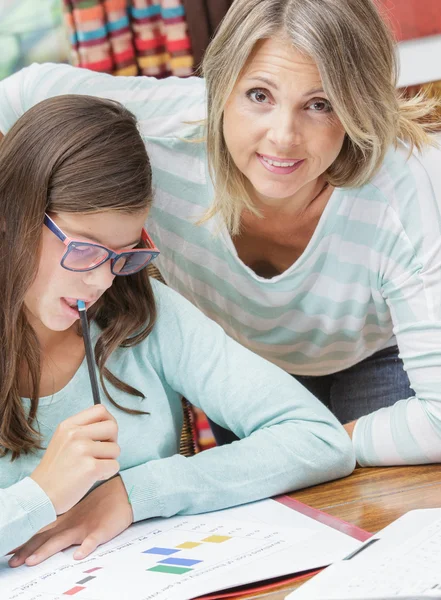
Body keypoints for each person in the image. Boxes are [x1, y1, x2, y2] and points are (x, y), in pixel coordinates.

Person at [0, 0, 440, 469]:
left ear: (360, 106)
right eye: (258, 95)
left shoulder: (400, 188)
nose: (283, 136)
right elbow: (23, 93)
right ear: (220, 86)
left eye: (320, 104)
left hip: (371, 356)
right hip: (238, 359)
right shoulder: (166, 126)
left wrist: (306, 446)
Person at [0, 95, 353, 565]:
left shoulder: (146, 315)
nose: (103, 279)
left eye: (123, 254)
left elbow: (318, 439)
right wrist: (41, 494)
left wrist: (131, 494)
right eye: (84, 249)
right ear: (12, 217)